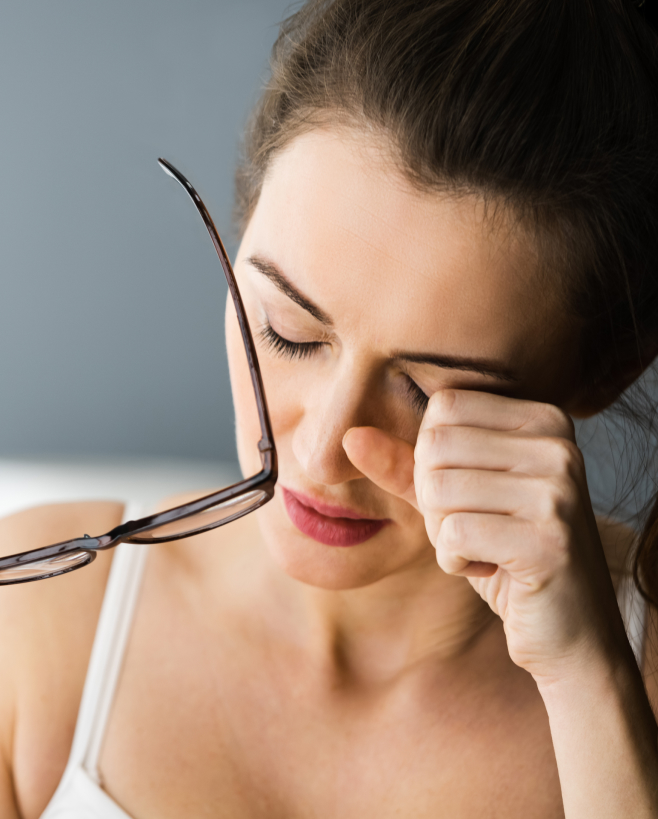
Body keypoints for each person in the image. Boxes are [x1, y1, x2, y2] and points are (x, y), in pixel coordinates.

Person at [2, 0, 658, 816]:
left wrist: (589, 682)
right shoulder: (35, 621)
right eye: (288, 331)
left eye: (430, 393)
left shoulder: (636, 684)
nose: (319, 456)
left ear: (605, 370)